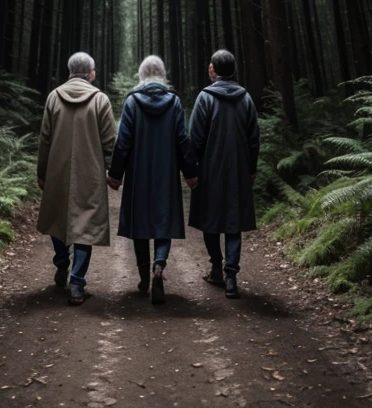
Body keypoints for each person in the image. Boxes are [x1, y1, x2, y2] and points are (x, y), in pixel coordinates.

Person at [107, 55, 198, 305]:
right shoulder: (174, 103)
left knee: (140, 224)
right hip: (166, 173)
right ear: (162, 74)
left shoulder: (132, 102)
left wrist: (115, 174)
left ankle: (144, 276)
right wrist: (190, 173)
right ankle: (159, 265)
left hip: (138, 174)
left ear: (142, 75)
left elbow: (123, 142)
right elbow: (182, 140)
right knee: (163, 220)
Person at [37, 52, 117, 306]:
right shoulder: (100, 100)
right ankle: (77, 284)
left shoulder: (53, 97)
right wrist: (114, 172)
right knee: (86, 227)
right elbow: (110, 142)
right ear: (91, 73)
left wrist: (42, 172)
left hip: (57, 171)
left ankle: (62, 263)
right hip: (90, 174)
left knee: (58, 218)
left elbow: (44, 139)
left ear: (70, 71)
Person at [188, 48, 260, 300]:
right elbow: (254, 138)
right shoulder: (246, 99)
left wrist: (192, 169)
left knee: (210, 219)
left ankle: (217, 268)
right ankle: (231, 276)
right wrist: (251, 168)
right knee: (233, 222)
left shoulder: (205, 98)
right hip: (239, 169)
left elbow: (195, 137)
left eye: (211, 64)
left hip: (210, 168)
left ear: (214, 70)